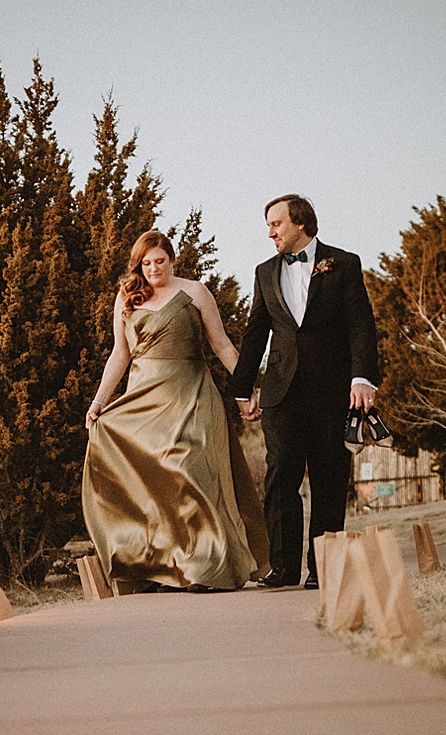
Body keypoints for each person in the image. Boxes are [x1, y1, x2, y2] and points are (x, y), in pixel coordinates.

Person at [82, 230, 267, 592]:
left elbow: (221, 344)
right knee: (155, 483)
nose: (153, 268)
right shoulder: (126, 298)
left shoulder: (195, 292)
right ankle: (163, 567)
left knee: (191, 470)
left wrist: (247, 388)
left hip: (192, 393)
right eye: (146, 263)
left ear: (172, 259)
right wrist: (99, 401)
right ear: (138, 264)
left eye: (160, 261)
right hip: (144, 400)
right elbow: (120, 354)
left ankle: (208, 566)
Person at [229, 195, 382, 588]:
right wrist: (242, 389)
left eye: (276, 224)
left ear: (300, 223)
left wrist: (362, 378)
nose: (270, 232)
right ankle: (282, 569)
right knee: (281, 478)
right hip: (281, 393)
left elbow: (361, 326)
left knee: (330, 477)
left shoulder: (343, 264)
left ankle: (324, 569)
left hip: (333, 392)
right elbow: (255, 333)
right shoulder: (265, 272)